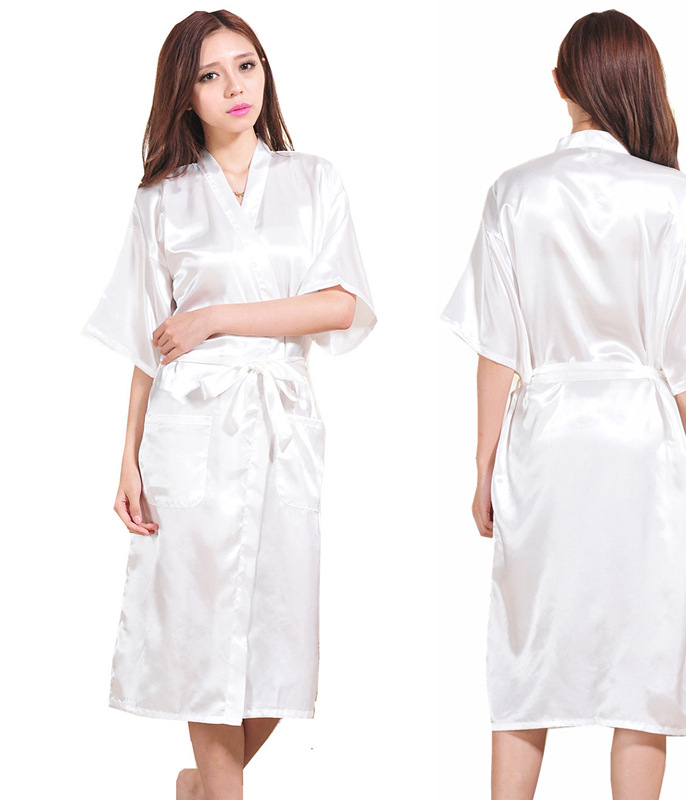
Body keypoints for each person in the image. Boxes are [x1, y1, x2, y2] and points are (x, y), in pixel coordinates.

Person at [441, 10, 686, 800]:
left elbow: (497, 346)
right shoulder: (672, 196)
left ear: (560, 84)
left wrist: (483, 466)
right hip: (640, 442)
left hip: (544, 441)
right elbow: (685, 354)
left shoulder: (514, 191)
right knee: (642, 661)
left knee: (527, 654)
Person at [81, 10, 376, 800]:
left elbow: (339, 304)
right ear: (185, 95)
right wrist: (127, 459)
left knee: (282, 632)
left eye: (246, 66)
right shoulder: (162, 199)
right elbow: (148, 341)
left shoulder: (314, 180)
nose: (234, 87)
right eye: (210, 76)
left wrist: (216, 317)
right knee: (202, 631)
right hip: (191, 427)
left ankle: (199, 786)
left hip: (281, 421)